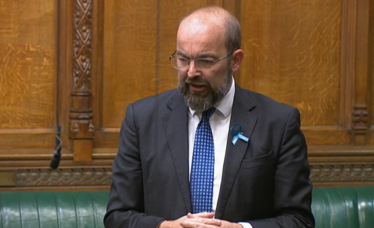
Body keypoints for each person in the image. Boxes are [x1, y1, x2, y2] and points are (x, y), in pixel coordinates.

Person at [104, 5, 314, 228]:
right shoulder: (142, 120)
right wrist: (166, 227)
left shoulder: (278, 123)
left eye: (205, 61)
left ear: (235, 60)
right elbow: (118, 217)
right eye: (183, 59)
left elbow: (298, 220)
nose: (191, 72)